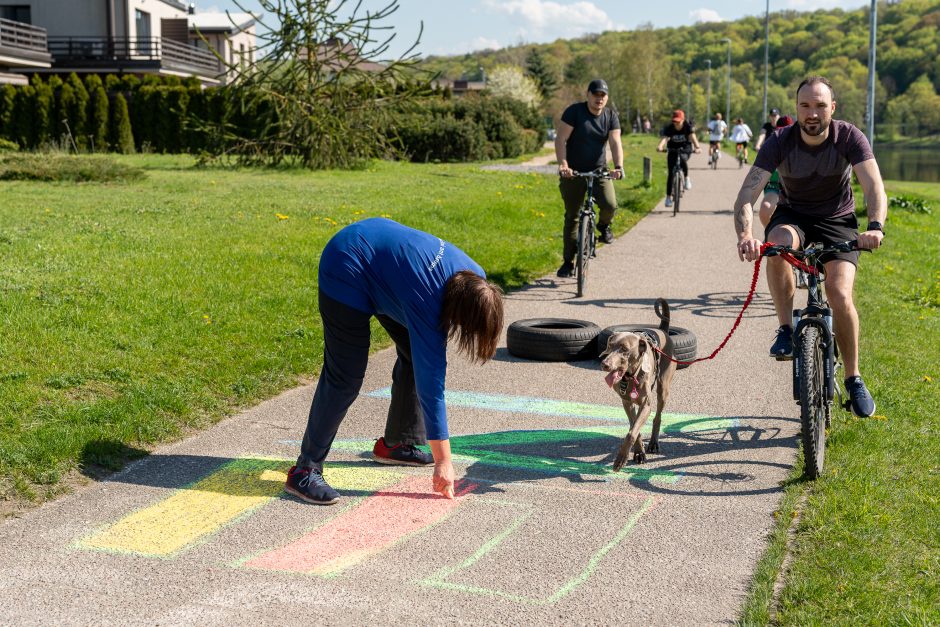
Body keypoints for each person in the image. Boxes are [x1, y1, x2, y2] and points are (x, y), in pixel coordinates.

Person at [285, 218, 505, 505]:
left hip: (385, 266)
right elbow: (432, 385)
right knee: (345, 376)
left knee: (414, 354)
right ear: (459, 311)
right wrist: (444, 462)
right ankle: (305, 470)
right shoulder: (430, 302)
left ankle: (396, 444)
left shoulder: (476, 277)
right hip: (346, 263)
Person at [733, 76, 887, 417]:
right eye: (805, 106)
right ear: (796, 109)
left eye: (820, 105)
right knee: (776, 246)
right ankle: (787, 329)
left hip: (837, 220)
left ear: (832, 107)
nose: (812, 113)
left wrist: (875, 226)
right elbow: (747, 194)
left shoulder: (848, 137)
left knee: (839, 293)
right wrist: (745, 236)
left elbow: (874, 186)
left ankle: (853, 378)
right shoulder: (780, 141)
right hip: (794, 216)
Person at [554, 78, 625, 278]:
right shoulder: (574, 112)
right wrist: (563, 164)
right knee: (573, 216)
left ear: (607, 97)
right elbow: (561, 139)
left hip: (599, 170)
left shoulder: (611, 116)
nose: (599, 99)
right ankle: (568, 262)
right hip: (573, 172)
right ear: (588, 95)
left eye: (603, 96)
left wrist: (618, 166)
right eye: (596, 95)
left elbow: (615, 142)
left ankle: (603, 226)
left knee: (610, 204)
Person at [656, 109, 702, 208]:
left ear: (683, 120)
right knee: (671, 174)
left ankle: (686, 178)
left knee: (682, 158)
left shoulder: (687, 126)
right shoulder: (670, 128)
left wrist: (697, 147)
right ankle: (668, 198)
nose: (676, 123)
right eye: (674, 121)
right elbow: (665, 138)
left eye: (678, 121)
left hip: (685, 149)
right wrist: (660, 146)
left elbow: (692, 136)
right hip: (672, 149)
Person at [756, 115, 795, 228]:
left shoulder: (801, 147)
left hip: (795, 189)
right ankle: (770, 234)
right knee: (765, 208)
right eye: (781, 131)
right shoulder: (771, 146)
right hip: (774, 186)